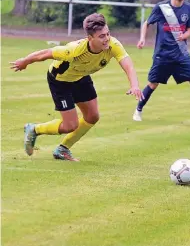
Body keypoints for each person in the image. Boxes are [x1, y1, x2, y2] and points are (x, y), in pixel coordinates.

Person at [10, 13, 143, 161]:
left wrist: (135, 85)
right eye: (101, 36)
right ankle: (34, 129)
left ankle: (62, 149)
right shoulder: (74, 50)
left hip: (80, 77)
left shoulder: (113, 45)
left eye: (108, 34)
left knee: (92, 116)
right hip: (60, 81)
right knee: (70, 125)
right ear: (90, 38)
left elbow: (127, 64)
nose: (106, 39)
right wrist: (25, 61)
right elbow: (45, 53)